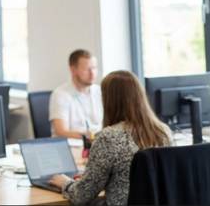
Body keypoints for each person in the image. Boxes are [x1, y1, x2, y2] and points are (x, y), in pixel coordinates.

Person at [48, 70, 172, 205]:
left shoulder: (108, 137)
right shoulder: (163, 132)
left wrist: (65, 182)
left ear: (109, 100)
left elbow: (82, 195)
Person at [49, 49, 103, 139]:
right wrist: (91, 137)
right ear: (73, 70)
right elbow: (60, 131)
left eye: (94, 68)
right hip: (72, 144)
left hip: (96, 143)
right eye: (86, 69)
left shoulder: (99, 91)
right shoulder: (60, 94)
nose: (92, 73)